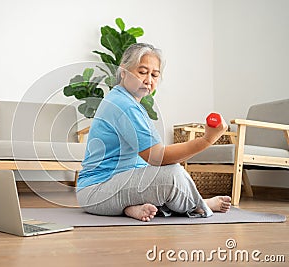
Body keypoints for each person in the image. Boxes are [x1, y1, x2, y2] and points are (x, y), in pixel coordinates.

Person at [76, 43, 231, 222]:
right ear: (123, 71)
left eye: (154, 74)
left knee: (167, 175)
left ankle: (130, 208)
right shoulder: (124, 105)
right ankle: (200, 204)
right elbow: (157, 157)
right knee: (173, 176)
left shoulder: (127, 101)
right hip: (96, 191)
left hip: (118, 184)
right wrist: (206, 140)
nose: (149, 80)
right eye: (142, 72)